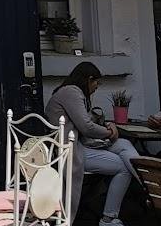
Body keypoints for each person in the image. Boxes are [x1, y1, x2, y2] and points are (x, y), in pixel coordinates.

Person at [46, 61, 140, 226]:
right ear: (89, 79)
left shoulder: (70, 92)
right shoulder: (71, 92)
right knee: (124, 166)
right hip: (71, 151)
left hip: (80, 145)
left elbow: (87, 121)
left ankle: (145, 177)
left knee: (124, 144)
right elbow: (87, 127)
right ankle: (109, 217)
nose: (97, 86)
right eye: (97, 82)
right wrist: (110, 132)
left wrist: (106, 126)